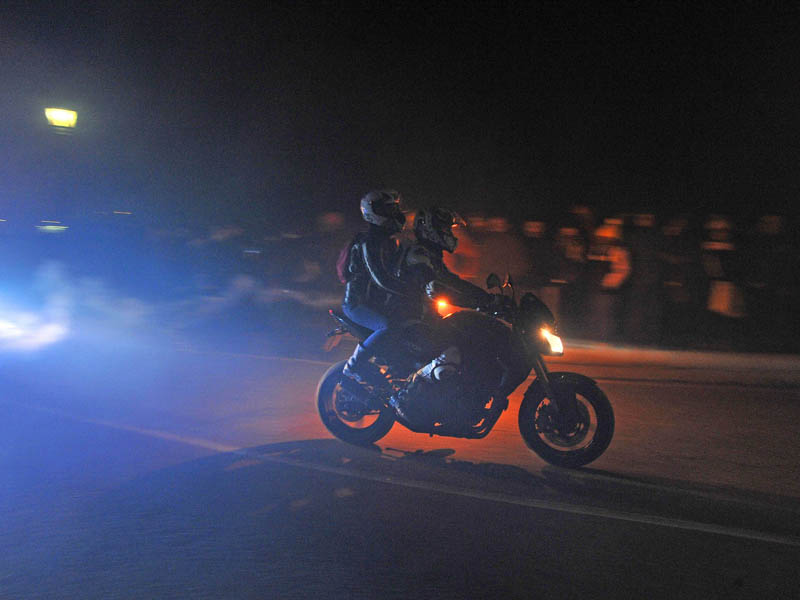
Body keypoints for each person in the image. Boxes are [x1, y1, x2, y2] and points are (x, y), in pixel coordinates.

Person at [340, 190, 410, 391]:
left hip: (377, 303)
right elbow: (381, 278)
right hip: (357, 304)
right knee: (386, 326)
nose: (394, 213)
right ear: (373, 212)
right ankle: (354, 366)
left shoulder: (390, 242)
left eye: (394, 209)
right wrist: (409, 291)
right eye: (388, 209)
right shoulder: (368, 243)